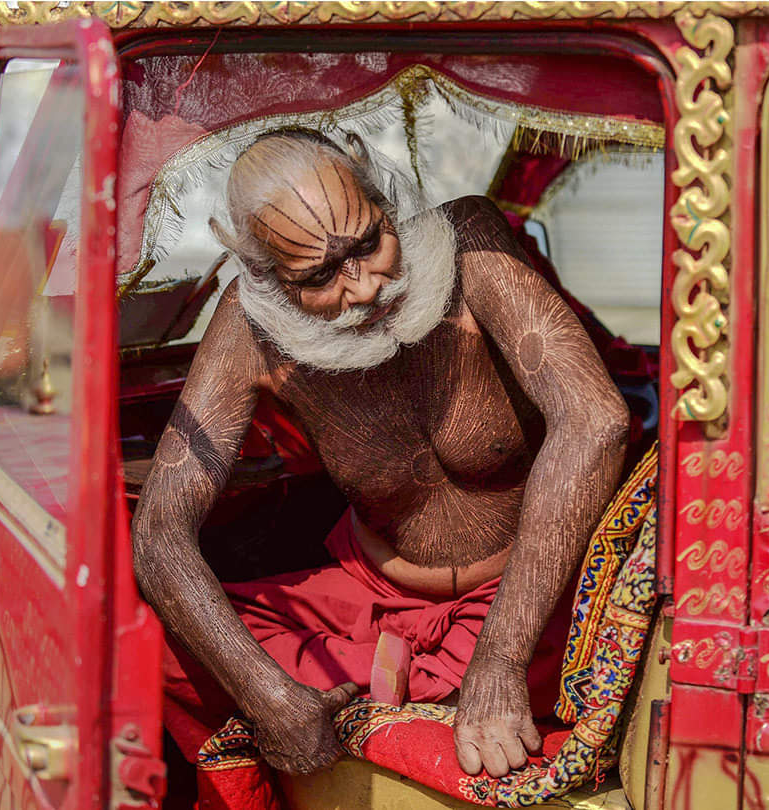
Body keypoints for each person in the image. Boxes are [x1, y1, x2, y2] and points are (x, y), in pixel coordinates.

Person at [130, 128, 632, 782]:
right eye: (320, 276)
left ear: (385, 202)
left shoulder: (470, 239)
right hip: (368, 597)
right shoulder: (247, 325)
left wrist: (500, 661)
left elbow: (594, 420)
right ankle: (376, 705)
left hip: (522, 600)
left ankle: (408, 703)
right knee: (153, 648)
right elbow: (159, 533)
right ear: (265, 278)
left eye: (369, 244)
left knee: (493, 712)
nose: (365, 288)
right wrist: (268, 696)